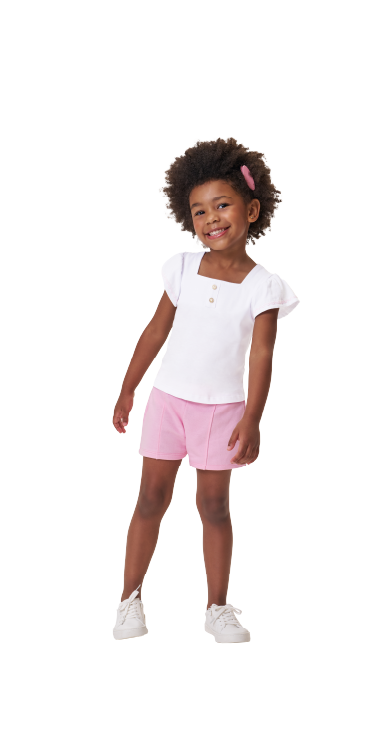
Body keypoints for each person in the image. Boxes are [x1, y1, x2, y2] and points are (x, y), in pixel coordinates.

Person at [111, 137, 300, 643]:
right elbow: (156, 331)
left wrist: (253, 418)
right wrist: (128, 388)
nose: (211, 218)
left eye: (223, 205)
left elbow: (262, 356)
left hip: (223, 412)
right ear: (188, 217)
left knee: (214, 508)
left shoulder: (264, 286)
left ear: (251, 209)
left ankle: (217, 608)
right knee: (150, 498)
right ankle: (129, 599)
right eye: (199, 210)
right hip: (168, 402)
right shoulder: (182, 268)